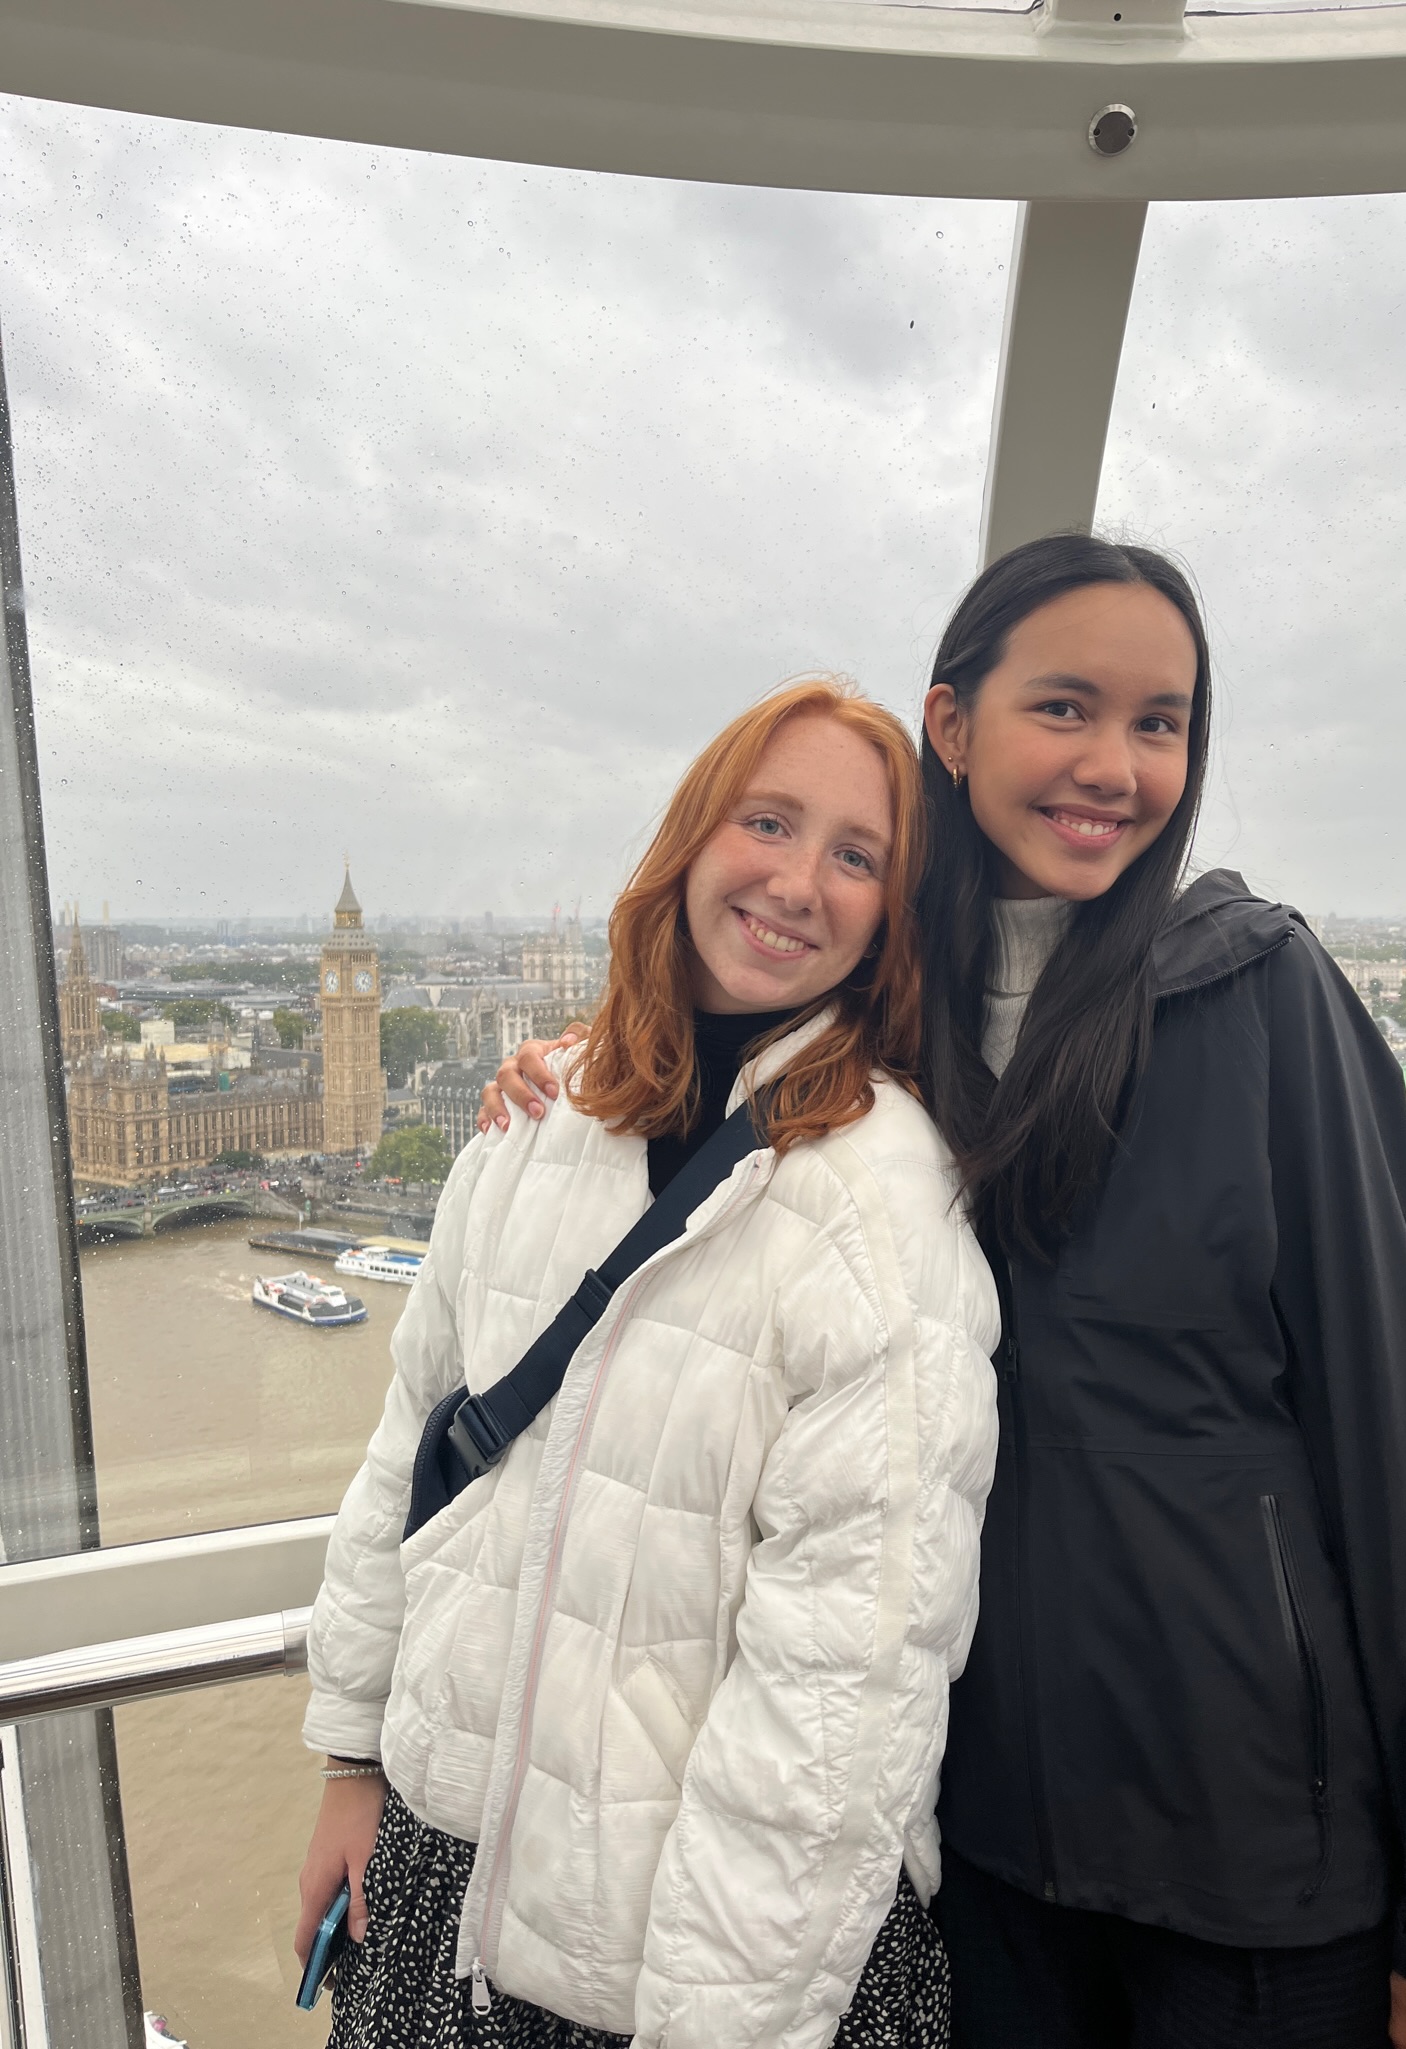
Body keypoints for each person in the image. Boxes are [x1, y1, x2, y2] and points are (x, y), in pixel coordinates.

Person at [487, 535, 1406, 2049]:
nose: (1114, 763)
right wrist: (563, 1080)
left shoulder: (1261, 996)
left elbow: (1402, 1460)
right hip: (980, 1854)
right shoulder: (883, 1009)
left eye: (1161, 722)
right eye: (1067, 708)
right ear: (954, 724)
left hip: (1254, 1861)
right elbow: (699, 1079)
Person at [295, 677, 1000, 2049]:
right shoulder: (529, 1123)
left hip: (688, 1953)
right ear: (692, 840)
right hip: (442, 1882)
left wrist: (718, 2025)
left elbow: (842, 1698)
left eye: (857, 855)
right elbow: (410, 1461)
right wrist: (349, 1758)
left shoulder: (887, 1207)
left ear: (891, 915)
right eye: (769, 821)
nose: (800, 880)